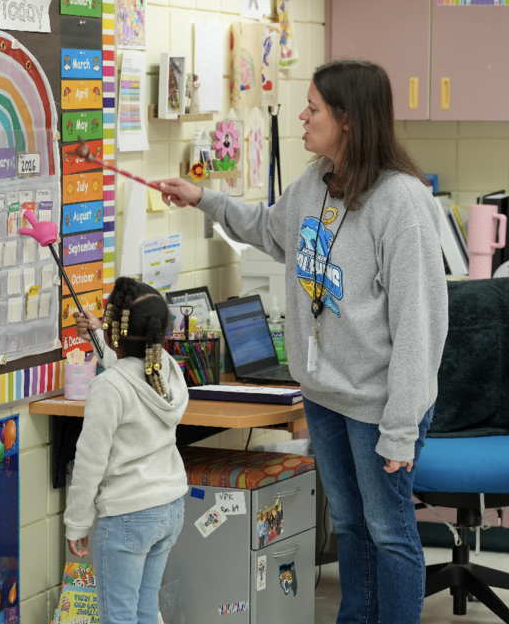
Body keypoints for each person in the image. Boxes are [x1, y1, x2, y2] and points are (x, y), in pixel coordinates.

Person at [158, 60, 448, 624]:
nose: (302, 116)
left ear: (347, 119)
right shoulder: (316, 181)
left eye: (313, 108)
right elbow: (269, 229)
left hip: (378, 403)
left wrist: (400, 429)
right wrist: (203, 199)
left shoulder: (403, 204)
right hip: (323, 393)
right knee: (348, 525)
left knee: (389, 533)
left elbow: (421, 329)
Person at [65, 278, 189, 624]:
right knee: (145, 611)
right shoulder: (165, 368)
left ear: (112, 334)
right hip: (168, 507)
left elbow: (90, 462)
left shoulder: (108, 387)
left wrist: (76, 522)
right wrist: (103, 332)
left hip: (127, 515)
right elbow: (133, 369)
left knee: (118, 617)